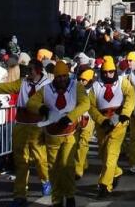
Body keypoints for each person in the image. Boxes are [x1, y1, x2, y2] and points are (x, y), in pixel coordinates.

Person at [0, 56, 52, 206]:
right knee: (21, 160)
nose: (27, 72)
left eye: (30, 70)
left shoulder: (48, 84)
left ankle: (45, 180)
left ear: (37, 70)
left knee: (40, 158)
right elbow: (6, 87)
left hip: (37, 125)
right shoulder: (23, 82)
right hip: (21, 124)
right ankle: (20, 195)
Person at [27, 60, 90, 207]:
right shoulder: (46, 89)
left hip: (70, 134)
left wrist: (70, 117)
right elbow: (31, 103)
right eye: (58, 76)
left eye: (64, 76)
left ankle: (70, 196)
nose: (62, 79)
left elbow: (85, 103)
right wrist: (42, 108)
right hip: (52, 135)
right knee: (54, 168)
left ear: (68, 75)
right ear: (54, 77)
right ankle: (56, 199)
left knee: (68, 166)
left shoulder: (77, 87)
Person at [86, 56, 135, 197]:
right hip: (102, 125)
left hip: (119, 123)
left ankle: (104, 186)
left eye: (111, 72)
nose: (108, 75)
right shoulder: (96, 86)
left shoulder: (122, 82)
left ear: (115, 71)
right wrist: (101, 120)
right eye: (106, 72)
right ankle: (117, 172)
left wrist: (125, 113)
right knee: (103, 154)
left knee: (111, 155)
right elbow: (91, 106)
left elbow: (130, 96)